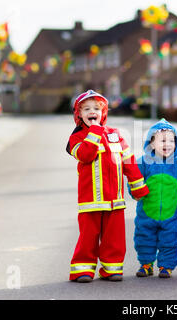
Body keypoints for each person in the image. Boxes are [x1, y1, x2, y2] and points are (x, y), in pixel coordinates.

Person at [66, 90, 149, 283]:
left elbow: (128, 161)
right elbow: (86, 155)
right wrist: (94, 132)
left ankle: (111, 268)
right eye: (86, 109)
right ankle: (82, 270)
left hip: (115, 200)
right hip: (91, 200)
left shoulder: (115, 134)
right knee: (88, 237)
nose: (91, 111)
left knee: (115, 238)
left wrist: (138, 186)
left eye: (96, 108)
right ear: (78, 115)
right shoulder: (76, 138)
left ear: (103, 113)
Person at [131, 119, 177, 279]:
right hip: (147, 213)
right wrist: (135, 191)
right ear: (152, 144)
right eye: (162, 141)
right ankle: (146, 264)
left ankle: (166, 266)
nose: (167, 144)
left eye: (171, 140)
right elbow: (135, 181)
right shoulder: (143, 163)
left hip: (171, 215)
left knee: (170, 240)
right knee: (144, 238)